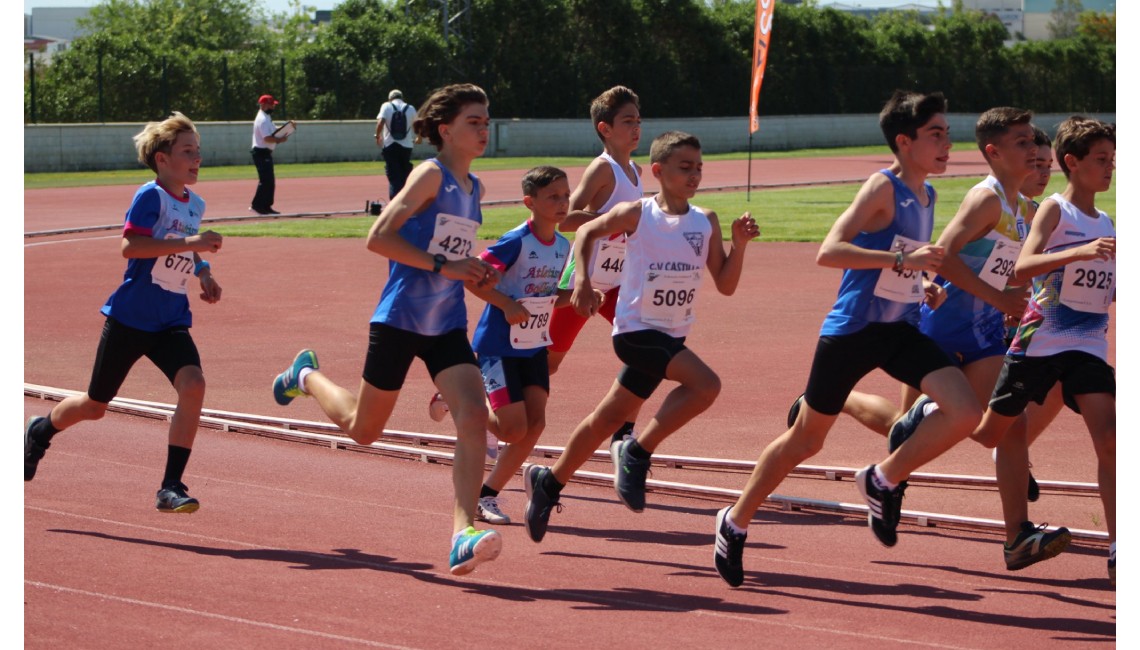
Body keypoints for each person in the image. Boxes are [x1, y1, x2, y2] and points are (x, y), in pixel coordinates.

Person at [712, 91, 983, 588]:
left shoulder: (929, 195)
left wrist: (920, 284)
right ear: (904, 142)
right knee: (807, 439)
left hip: (899, 328)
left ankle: (882, 478)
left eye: (948, 132)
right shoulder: (882, 187)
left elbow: (902, 257)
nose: (949, 142)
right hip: (854, 330)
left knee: (966, 410)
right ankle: (734, 520)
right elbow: (830, 250)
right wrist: (904, 263)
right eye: (936, 134)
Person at [269, 84, 504, 577]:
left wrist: (475, 270)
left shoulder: (475, 189)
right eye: (474, 123)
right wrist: (443, 265)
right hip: (399, 318)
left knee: (473, 418)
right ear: (446, 131)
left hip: (446, 323)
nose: (484, 130)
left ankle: (463, 533)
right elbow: (379, 239)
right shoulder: (428, 175)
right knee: (364, 431)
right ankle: (305, 377)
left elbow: (451, 254)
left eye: (486, 121)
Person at [522, 131, 760, 543]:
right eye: (684, 167)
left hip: (669, 336)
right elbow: (583, 233)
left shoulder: (706, 221)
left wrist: (739, 246)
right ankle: (636, 451)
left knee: (607, 419)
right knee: (706, 385)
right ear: (658, 171)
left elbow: (725, 283)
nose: (694, 175)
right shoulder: (637, 213)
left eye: (698, 167)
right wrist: (581, 281)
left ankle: (549, 482)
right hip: (635, 331)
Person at [884, 107, 1075, 572]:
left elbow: (1012, 274)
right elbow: (939, 255)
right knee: (920, 424)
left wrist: (1020, 299)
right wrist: (994, 296)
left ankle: (1017, 539)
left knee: (1007, 425)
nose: (1036, 154)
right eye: (1025, 144)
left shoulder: (1025, 209)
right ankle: (883, 461)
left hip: (986, 330)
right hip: (944, 327)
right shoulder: (986, 200)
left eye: (1036, 144)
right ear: (994, 152)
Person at [24, 112, 224, 514]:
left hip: (170, 319)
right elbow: (132, 247)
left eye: (198, 151)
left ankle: (171, 486)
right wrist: (194, 240)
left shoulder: (195, 203)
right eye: (188, 151)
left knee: (194, 385)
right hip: (131, 318)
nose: (196, 158)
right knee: (95, 406)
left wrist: (204, 271)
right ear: (163, 159)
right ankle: (40, 430)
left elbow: (181, 247)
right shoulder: (150, 196)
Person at [966, 116, 1116, 584]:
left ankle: (1118, 547)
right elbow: (1023, 268)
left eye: (1113, 160)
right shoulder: (1053, 211)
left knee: (1111, 437)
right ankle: (940, 406)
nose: (1111, 168)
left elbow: (1103, 286)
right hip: (1040, 341)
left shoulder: (1107, 221)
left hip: (1089, 343)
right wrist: (1078, 253)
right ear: (1072, 164)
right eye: (1101, 160)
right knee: (991, 434)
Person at [463, 166, 575, 525]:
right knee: (511, 429)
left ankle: (487, 495)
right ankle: (462, 397)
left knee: (535, 425)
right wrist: (506, 304)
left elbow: (546, 296)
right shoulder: (515, 241)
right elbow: (473, 278)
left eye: (565, 195)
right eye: (553, 197)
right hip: (499, 344)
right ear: (530, 202)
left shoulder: (562, 245)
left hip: (534, 345)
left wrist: (576, 297)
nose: (562, 203)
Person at [547, 85, 644, 447]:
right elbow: (565, 218)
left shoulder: (635, 170)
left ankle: (624, 433)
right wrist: (608, 218)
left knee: (644, 346)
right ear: (605, 128)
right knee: (549, 362)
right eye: (628, 121)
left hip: (618, 281)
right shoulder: (603, 170)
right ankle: (494, 403)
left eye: (639, 120)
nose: (636, 127)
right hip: (583, 280)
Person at [250, 94, 292, 215]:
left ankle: (266, 206)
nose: (273, 106)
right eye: (271, 104)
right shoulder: (262, 119)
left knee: (269, 180)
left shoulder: (266, 117)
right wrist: (280, 140)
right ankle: (257, 206)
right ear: (263, 105)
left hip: (265, 152)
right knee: (266, 180)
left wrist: (285, 129)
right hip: (261, 152)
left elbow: (273, 130)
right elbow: (267, 138)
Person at [376, 89, 418, 199]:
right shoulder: (410, 108)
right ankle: (407, 201)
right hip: (407, 146)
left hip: (390, 145)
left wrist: (377, 136)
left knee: (394, 176)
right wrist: (419, 137)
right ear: (402, 97)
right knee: (405, 175)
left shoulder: (386, 106)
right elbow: (418, 125)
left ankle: (395, 203)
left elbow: (381, 122)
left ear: (390, 98)